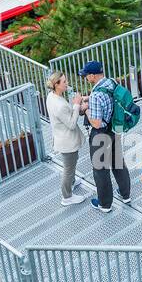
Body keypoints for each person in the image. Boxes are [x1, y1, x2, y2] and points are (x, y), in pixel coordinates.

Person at [80, 60, 132, 212]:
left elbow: (96, 123)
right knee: (118, 162)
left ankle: (105, 204)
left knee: (100, 169)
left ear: (92, 76)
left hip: (100, 134)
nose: (85, 78)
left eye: (86, 75)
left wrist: (85, 108)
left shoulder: (96, 95)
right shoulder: (110, 82)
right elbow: (109, 98)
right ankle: (125, 194)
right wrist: (88, 98)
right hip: (114, 128)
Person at [45, 72, 88, 206]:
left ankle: (72, 182)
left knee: (71, 165)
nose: (67, 84)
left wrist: (77, 106)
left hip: (61, 138)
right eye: (64, 82)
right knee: (68, 169)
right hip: (67, 142)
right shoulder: (60, 105)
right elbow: (71, 124)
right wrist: (76, 105)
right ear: (56, 85)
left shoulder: (51, 96)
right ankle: (67, 196)